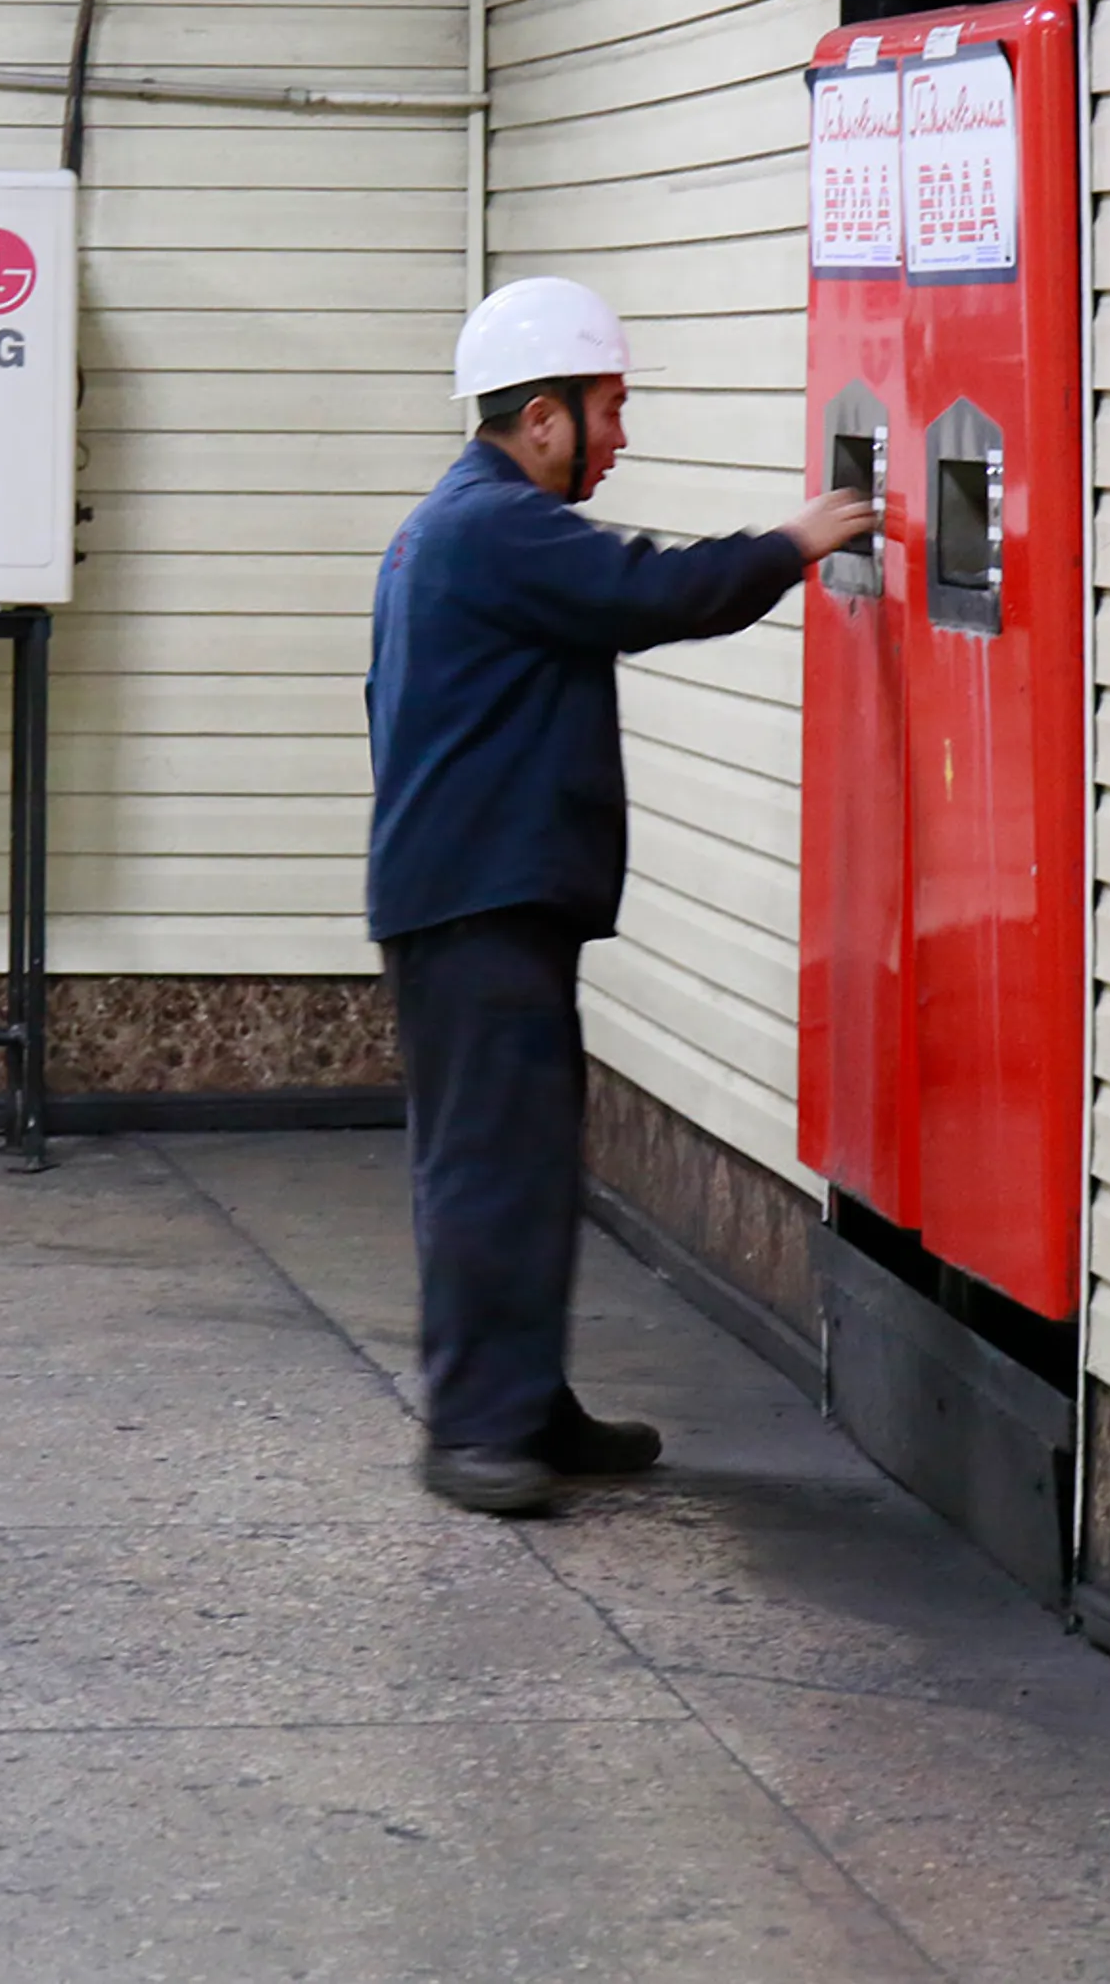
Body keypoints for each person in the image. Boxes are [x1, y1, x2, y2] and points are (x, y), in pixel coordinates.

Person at [368, 276, 875, 1516]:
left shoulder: (464, 524)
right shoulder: (494, 527)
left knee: (522, 1163)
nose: (622, 436)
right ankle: (477, 1432)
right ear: (542, 417)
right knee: (492, 1166)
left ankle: (525, 1407)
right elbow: (652, 593)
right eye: (611, 407)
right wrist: (800, 539)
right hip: (477, 905)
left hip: (484, 898)